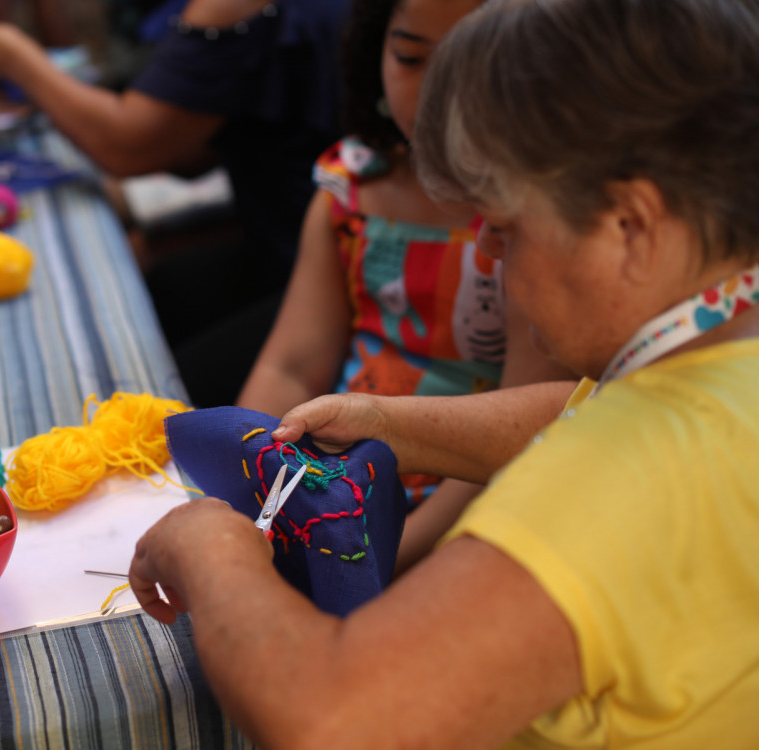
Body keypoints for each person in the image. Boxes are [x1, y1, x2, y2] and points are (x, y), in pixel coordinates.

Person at [129, 0, 759, 746]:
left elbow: (332, 720)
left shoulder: (615, 482)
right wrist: (386, 423)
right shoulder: (716, 361)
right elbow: (576, 412)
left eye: (506, 226)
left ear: (630, 227)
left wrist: (212, 551)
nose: (488, 254)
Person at [236, 0, 571, 571]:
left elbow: (516, 437)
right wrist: (240, 489)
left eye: (472, 61)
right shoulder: (349, 192)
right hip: (330, 480)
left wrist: (386, 557)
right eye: (412, 57)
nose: (438, 91)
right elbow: (290, 368)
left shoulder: (534, 223)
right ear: (374, 53)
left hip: (463, 506)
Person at [0, 0, 351, 406]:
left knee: (166, 390)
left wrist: (14, 57)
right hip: (292, 234)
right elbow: (190, 150)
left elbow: (128, 147)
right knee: (161, 291)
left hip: (322, 259)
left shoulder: (235, 8)